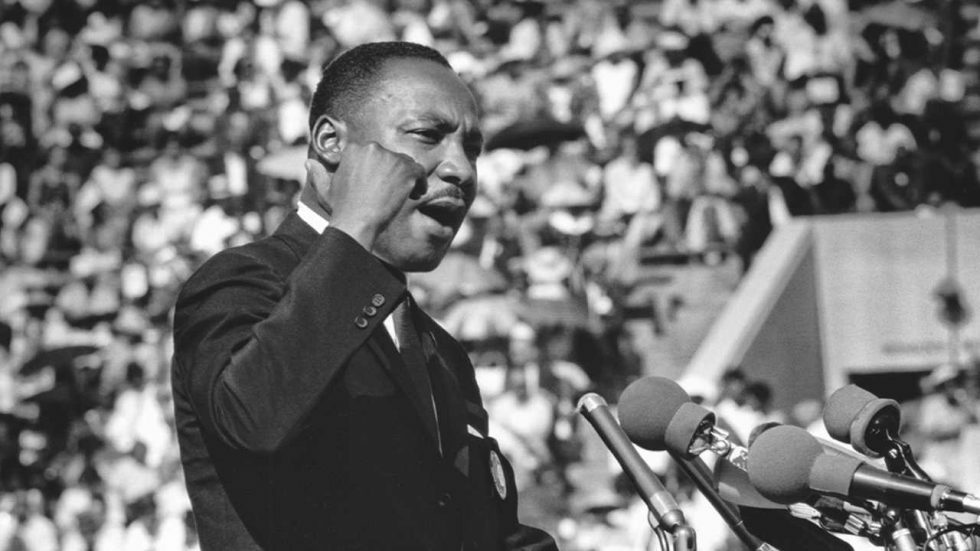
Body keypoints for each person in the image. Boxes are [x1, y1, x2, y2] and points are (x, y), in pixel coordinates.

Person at [171, 42, 558, 550]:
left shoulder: (440, 351)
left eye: (473, 150)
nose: (461, 170)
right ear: (331, 142)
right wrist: (356, 225)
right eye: (427, 135)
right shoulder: (241, 281)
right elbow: (254, 420)